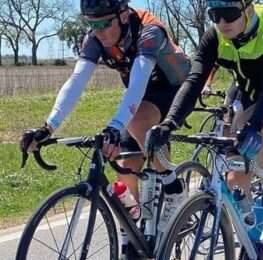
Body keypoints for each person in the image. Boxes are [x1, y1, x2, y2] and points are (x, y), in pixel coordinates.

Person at [19, 0, 191, 253]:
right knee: (125, 165)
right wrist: (48, 127)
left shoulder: (149, 32)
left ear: (122, 15)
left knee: (136, 122)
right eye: (91, 24)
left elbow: (137, 84)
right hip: (142, 97)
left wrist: (115, 125)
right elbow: (76, 81)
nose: (98, 31)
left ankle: (174, 188)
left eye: (103, 23)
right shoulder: (96, 39)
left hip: (177, 89)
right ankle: (131, 237)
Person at [146, 0, 263, 245]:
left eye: (229, 14)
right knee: (235, 177)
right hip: (251, 94)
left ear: (248, 8)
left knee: (249, 127)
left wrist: (253, 127)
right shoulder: (215, 36)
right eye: (215, 15)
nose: (222, 23)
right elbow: (194, 81)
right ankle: (251, 233)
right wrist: (169, 123)